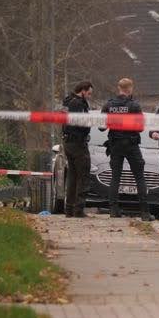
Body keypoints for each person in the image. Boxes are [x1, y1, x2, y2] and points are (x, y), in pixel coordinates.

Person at [100, 77, 152, 221]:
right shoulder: (134, 106)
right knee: (139, 177)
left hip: (115, 144)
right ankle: (145, 213)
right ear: (130, 89)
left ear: (119, 88)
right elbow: (140, 127)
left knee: (115, 177)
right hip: (131, 144)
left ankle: (113, 210)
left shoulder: (109, 105)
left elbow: (101, 127)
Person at [61, 80, 93, 218]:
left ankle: (69, 209)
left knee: (73, 177)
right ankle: (78, 209)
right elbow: (82, 124)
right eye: (89, 93)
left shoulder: (68, 101)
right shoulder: (78, 103)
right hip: (78, 143)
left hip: (68, 142)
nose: (90, 96)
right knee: (83, 176)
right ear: (83, 91)